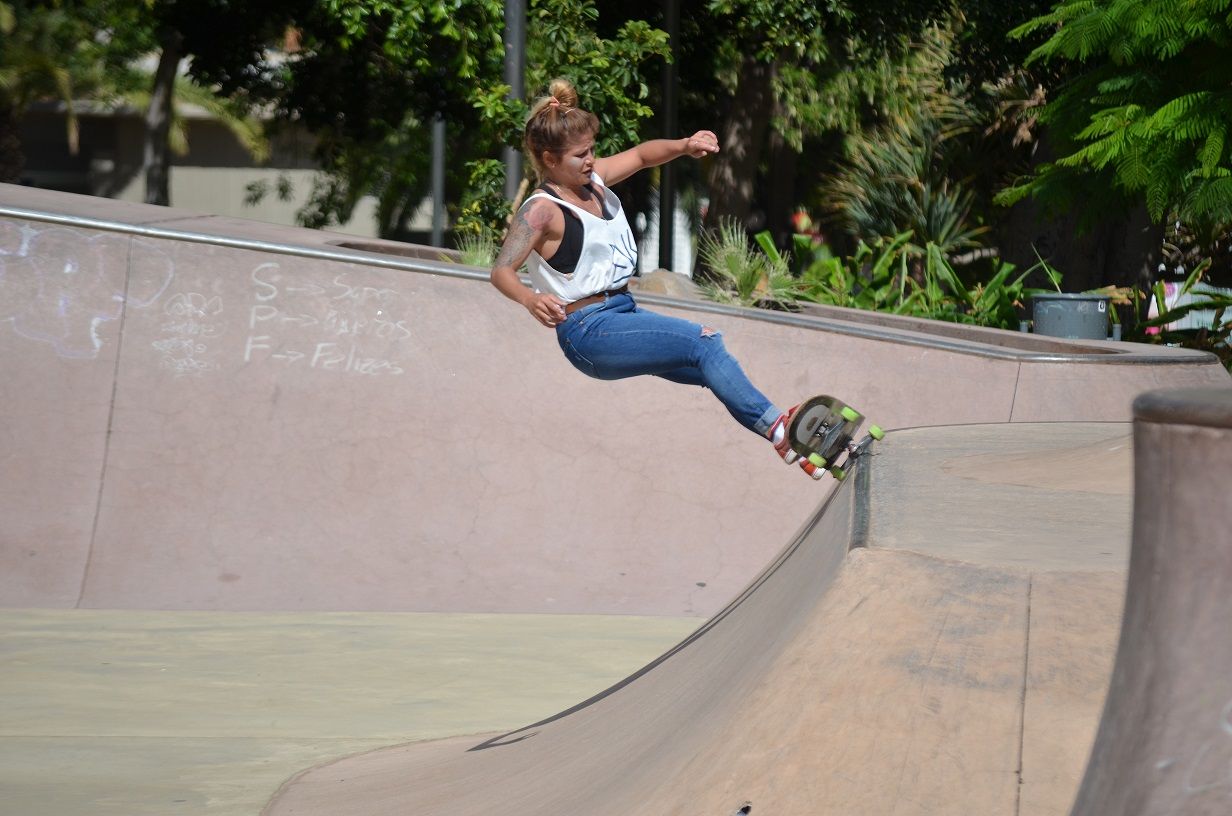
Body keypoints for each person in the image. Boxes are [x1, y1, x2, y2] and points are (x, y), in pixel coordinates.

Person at [489, 77, 817, 478]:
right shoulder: (541, 210)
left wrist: (684, 145)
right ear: (549, 158)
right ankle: (779, 429)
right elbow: (501, 270)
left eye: (592, 150)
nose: (591, 160)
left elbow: (643, 156)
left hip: (622, 313)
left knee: (711, 369)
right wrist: (528, 298)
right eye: (580, 155)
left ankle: (792, 449)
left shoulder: (594, 183)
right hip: (588, 330)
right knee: (706, 344)